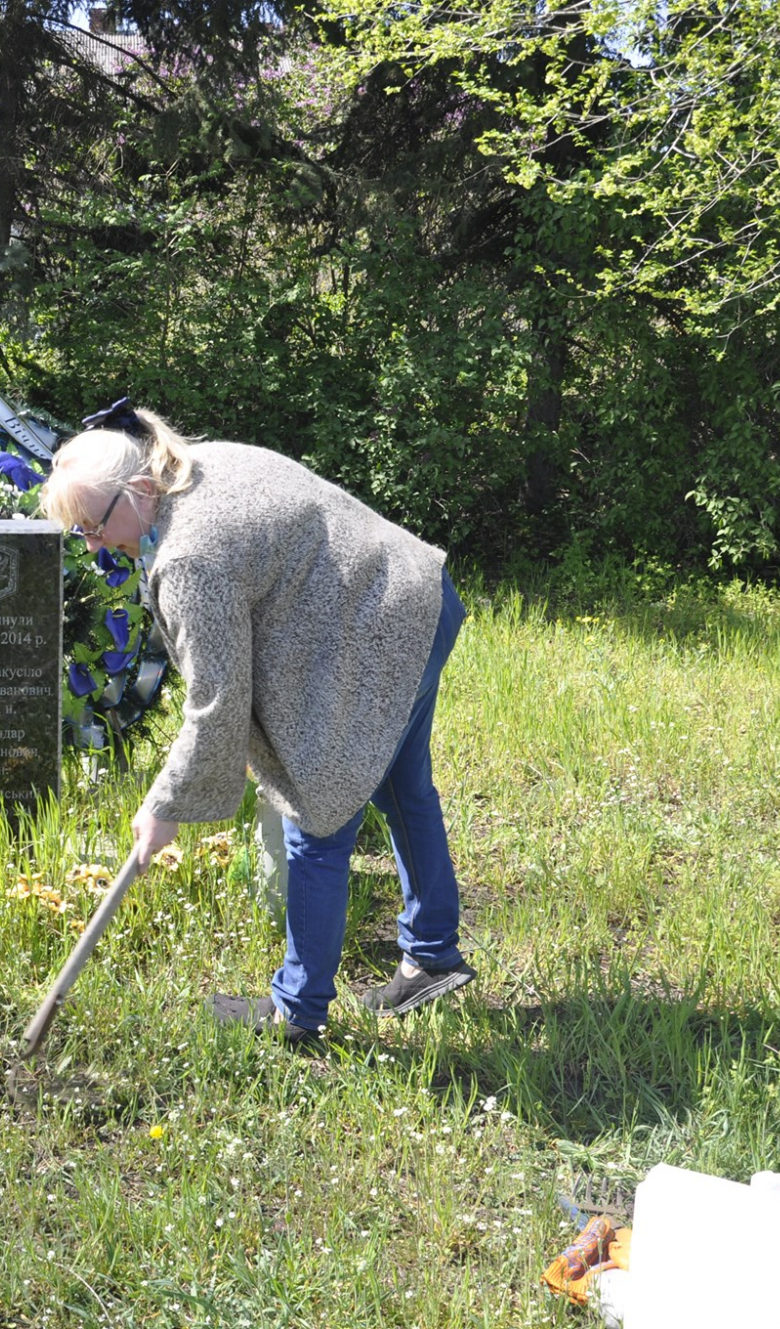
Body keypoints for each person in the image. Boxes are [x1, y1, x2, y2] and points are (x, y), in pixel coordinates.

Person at [39, 400, 474, 1041]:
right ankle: (433, 954)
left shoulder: (188, 560)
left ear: (136, 490)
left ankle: (299, 1011)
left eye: (94, 526)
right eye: (81, 532)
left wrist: (164, 806)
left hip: (376, 627)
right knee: (402, 785)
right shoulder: (192, 464)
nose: (95, 544)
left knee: (315, 818)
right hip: (415, 599)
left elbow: (217, 703)